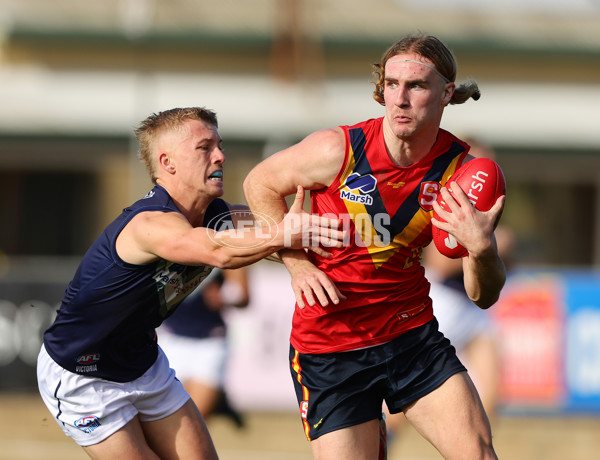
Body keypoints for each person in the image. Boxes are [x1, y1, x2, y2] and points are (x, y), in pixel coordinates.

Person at [243, 34, 506, 460]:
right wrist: (296, 264)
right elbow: (258, 183)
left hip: (411, 337)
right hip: (330, 346)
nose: (399, 99)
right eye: (391, 84)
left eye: (416, 86)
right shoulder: (338, 149)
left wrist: (482, 250)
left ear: (446, 93)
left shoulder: (461, 171)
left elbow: (483, 296)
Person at [36, 107, 345, 460]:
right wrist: (283, 234)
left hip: (142, 364)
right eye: (205, 147)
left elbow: (284, 230)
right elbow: (219, 251)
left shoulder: (221, 214)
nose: (220, 156)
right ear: (168, 163)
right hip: (82, 375)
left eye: (220, 145)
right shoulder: (148, 223)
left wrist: (372, 228)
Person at [158, 267, 249, 426]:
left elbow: (243, 296)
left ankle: (218, 401)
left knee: (194, 422)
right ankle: (220, 402)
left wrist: (224, 298)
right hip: (171, 340)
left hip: (210, 344)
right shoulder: (171, 247)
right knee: (167, 418)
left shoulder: (226, 249)